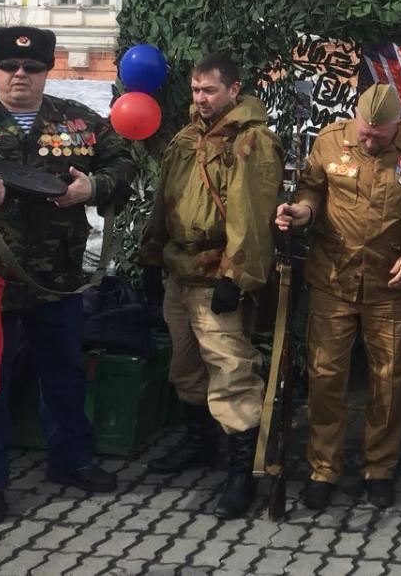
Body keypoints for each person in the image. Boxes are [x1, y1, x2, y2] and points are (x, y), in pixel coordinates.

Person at [0, 26, 135, 525]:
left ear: (47, 70)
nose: (20, 74)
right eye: (9, 66)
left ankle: (71, 459)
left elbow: (124, 162)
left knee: (63, 374)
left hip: (56, 278)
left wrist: (92, 188)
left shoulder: (77, 121)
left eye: (33, 67)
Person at [275, 83, 401, 510]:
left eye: (377, 136)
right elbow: (312, 188)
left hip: (390, 283)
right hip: (333, 276)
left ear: (397, 125)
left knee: (388, 379)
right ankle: (323, 468)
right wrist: (303, 211)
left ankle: (379, 468)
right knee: (325, 376)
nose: (368, 142)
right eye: (364, 133)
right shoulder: (331, 140)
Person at [138, 53, 285, 519]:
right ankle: (200, 444)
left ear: (233, 90)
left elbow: (251, 217)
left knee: (231, 373)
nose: (201, 99)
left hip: (215, 277)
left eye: (210, 90)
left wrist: (233, 278)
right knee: (185, 369)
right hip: (178, 272)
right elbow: (164, 203)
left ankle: (241, 474)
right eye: (196, 90)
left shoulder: (251, 142)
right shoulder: (185, 139)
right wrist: (149, 257)